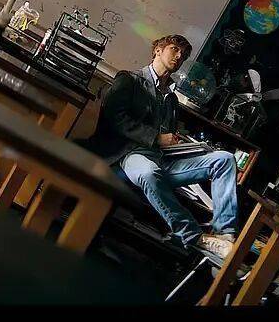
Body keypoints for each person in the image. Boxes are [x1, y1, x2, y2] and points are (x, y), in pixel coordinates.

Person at [81, 34, 238, 260]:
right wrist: (156, 138)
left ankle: (225, 234)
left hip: (162, 158)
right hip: (129, 154)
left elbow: (167, 135)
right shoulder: (130, 80)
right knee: (149, 172)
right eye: (175, 49)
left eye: (184, 55)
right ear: (157, 50)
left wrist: (179, 144)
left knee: (224, 159)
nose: (179, 56)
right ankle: (196, 237)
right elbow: (115, 118)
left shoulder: (171, 99)